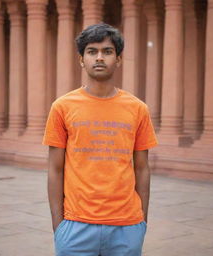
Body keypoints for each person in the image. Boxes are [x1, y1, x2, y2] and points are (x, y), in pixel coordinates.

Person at [43, 23, 158, 256]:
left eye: (107, 51)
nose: (99, 58)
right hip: (75, 226)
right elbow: (55, 169)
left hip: (127, 225)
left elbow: (142, 168)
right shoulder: (63, 107)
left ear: (118, 59)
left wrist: (142, 222)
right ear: (81, 59)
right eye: (92, 51)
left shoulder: (137, 109)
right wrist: (59, 226)